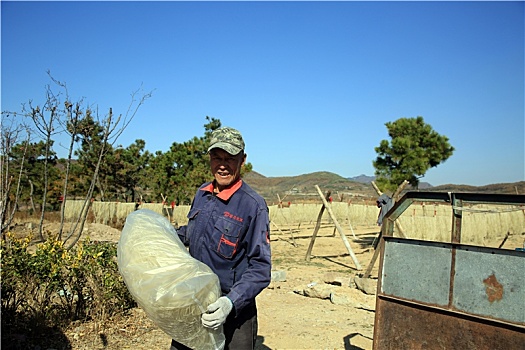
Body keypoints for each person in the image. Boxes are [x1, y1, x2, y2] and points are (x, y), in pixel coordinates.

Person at [171, 127, 272, 350]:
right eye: (217, 157)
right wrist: (164, 236)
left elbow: (260, 268)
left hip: (233, 311)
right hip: (195, 301)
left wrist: (230, 303)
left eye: (230, 158)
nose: (222, 165)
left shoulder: (253, 206)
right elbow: (193, 232)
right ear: (210, 159)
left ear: (242, 160)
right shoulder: (202, 193)